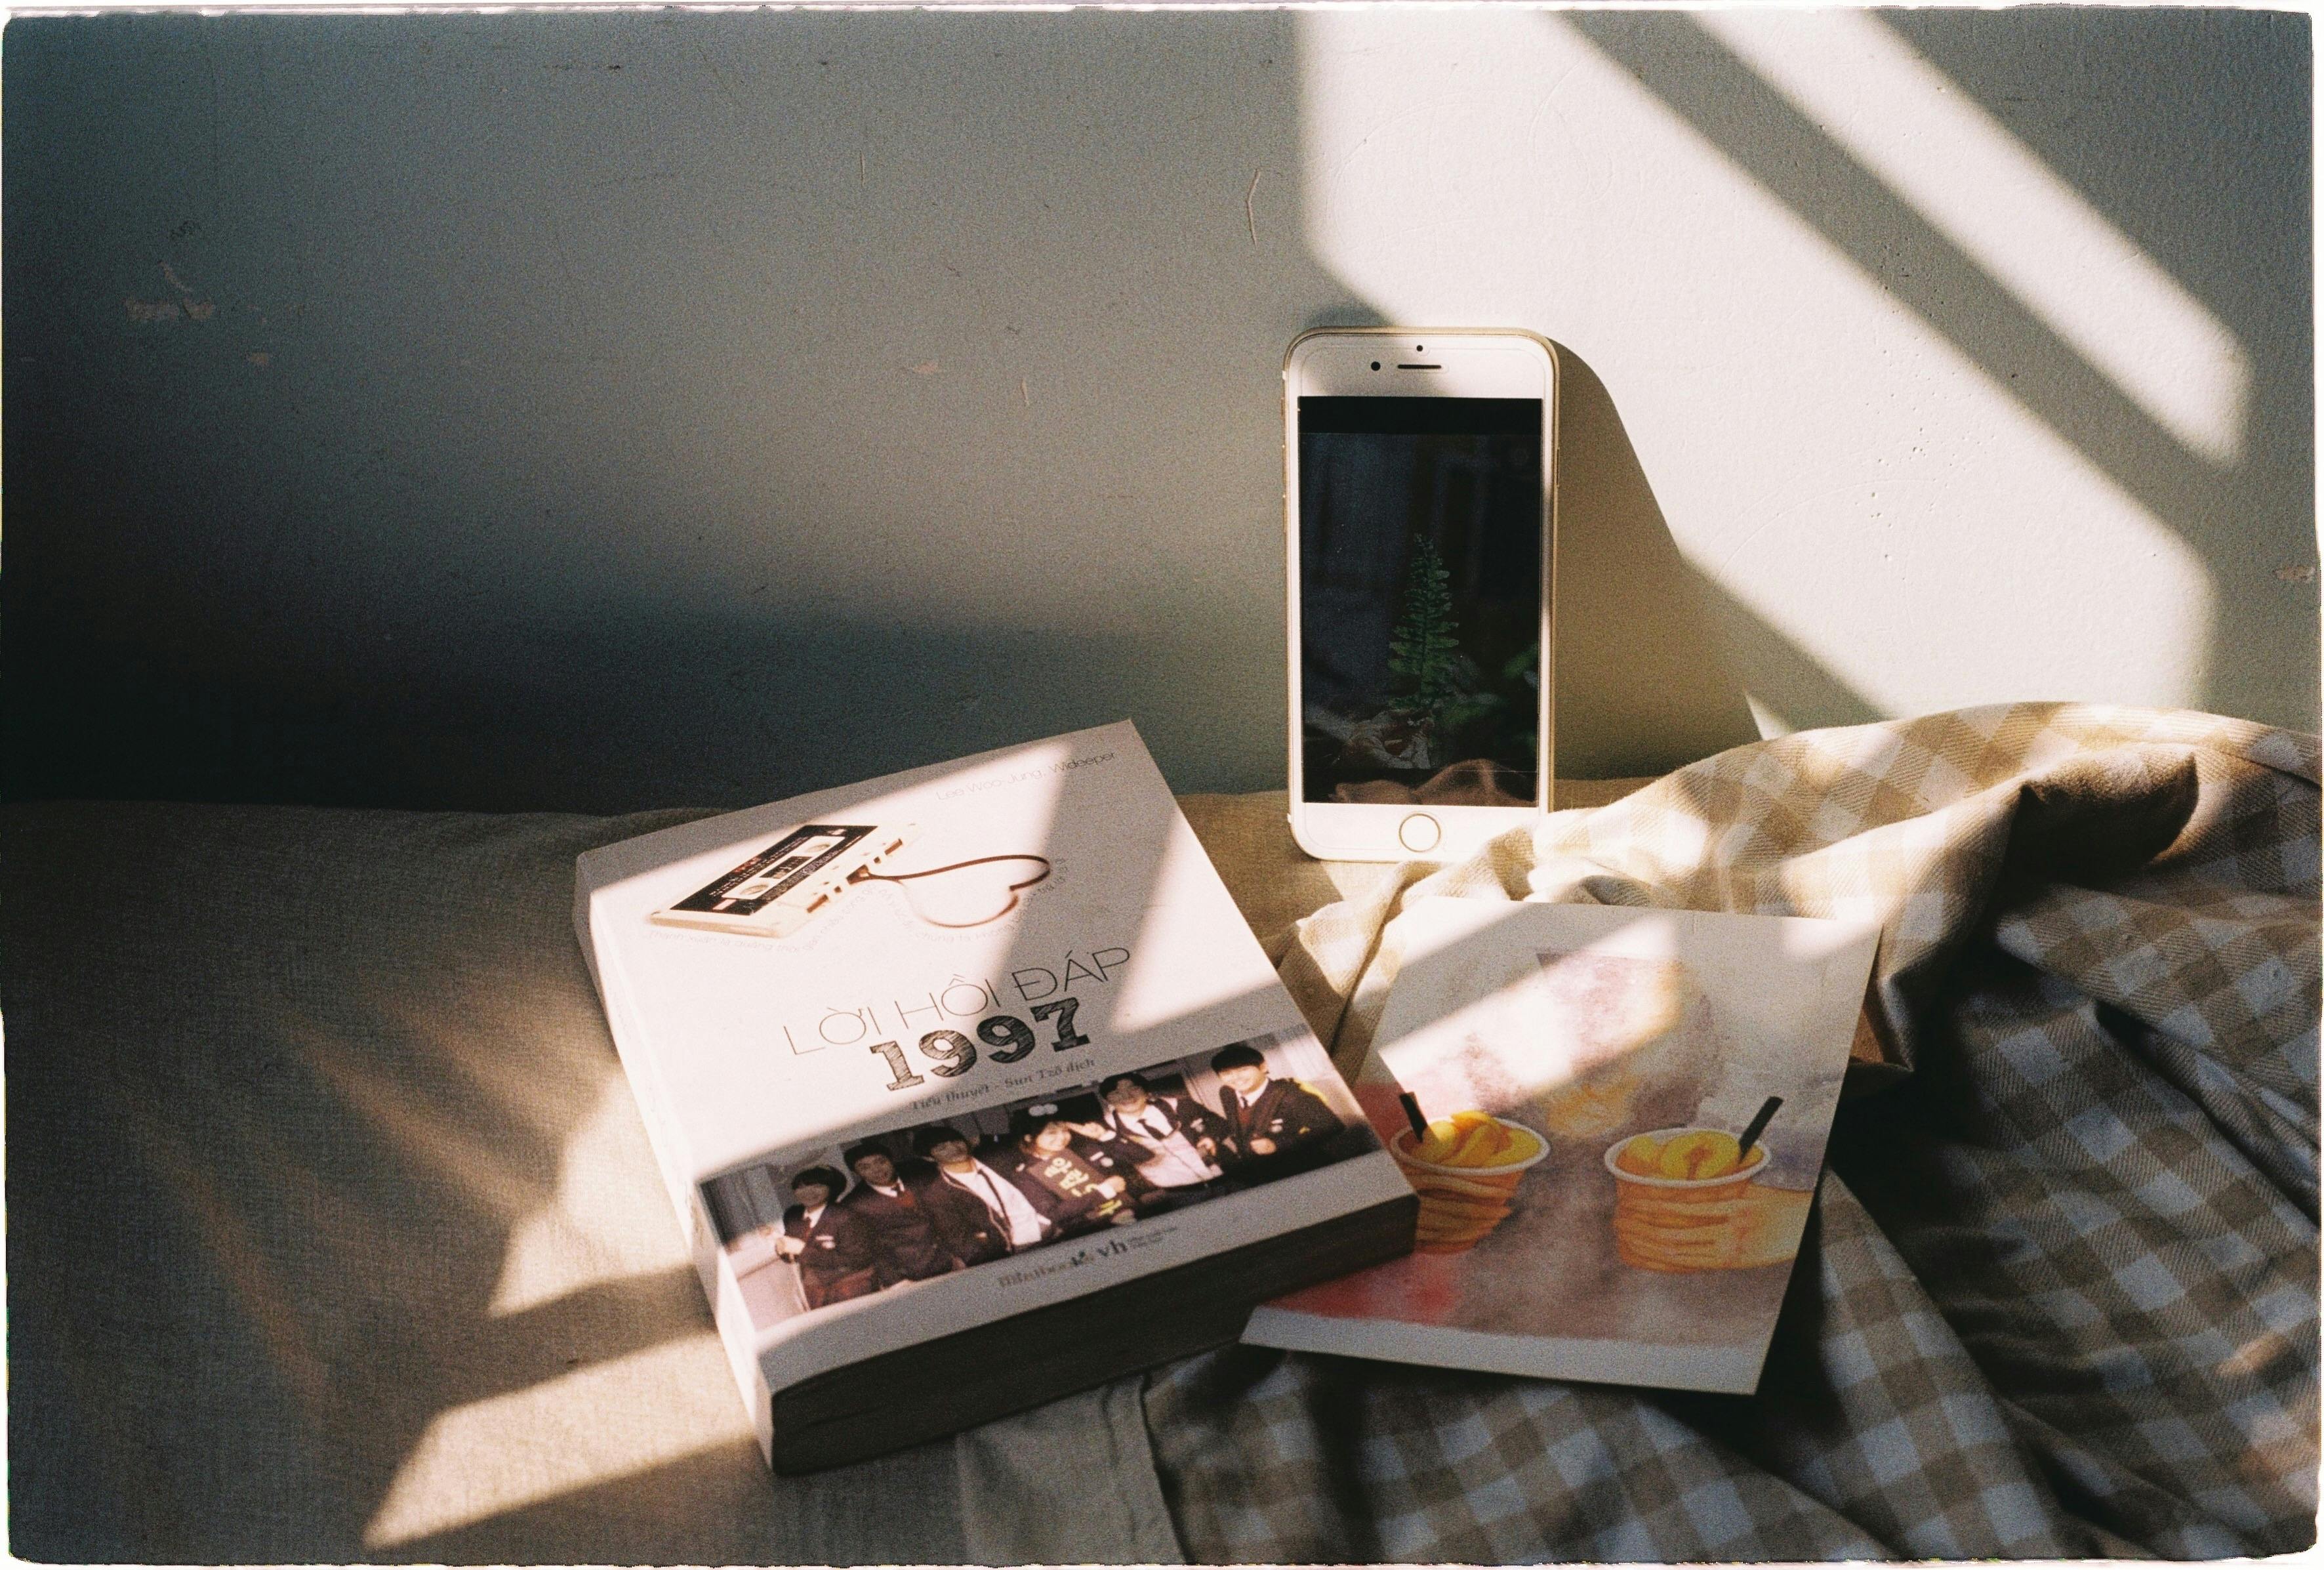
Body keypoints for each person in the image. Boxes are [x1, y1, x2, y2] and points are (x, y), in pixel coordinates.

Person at [1084, 1071, 1228, 1211]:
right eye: (1116, 1094)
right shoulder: (1108, 1131)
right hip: (1178, 1194)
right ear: (1107, 1100)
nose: (1127, 1097)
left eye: (1133, 1089)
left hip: (1224, 1179)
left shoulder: (1180, 1105)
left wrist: (1210, 1137)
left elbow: (1219, 1123)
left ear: (1146, 1092)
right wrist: (1109, 1138)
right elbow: (1124, 1163)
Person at [912, 1125, 1051, 1264]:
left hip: (1053, 1224)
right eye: (941, 1148)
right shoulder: (938, 1195)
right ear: (928, 1157)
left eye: (956, 1141)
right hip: (1018, 1247)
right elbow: (958, 1239)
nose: (953, 1148)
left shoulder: (998, 1160)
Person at [1209, 1043, 1346, 1181]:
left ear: (1263, 1067)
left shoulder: (1292, 1096)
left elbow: (1333, 1125)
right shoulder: (1227, 1093)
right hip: (1259, 1173)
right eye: (1227, 1073)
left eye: (1243, 1069)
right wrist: (1211, 1137)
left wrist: (1277, 1145)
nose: (1236, 1078)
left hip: (1300, 1171)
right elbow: (1240, 1125)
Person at [840, 1140, 959, 1285]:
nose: (877, 1170)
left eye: (881, 1162)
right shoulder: (854, 1205)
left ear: (891, 1161)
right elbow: (870, 1250)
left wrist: (966, 1255)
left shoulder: (921, 1177)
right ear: (856, 1172)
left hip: (958, 1259)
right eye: (865, 1167)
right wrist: (896, 1281)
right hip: (913, 1275)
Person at [1008, 1105, 1139, 1233]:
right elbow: (1054, 1213)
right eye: (1051, 1133)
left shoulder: (1083, 1148)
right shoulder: (1026, 1174)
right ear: (1029, 1138)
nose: (1062, 1138)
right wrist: (1104, 1191)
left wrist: (1103, 1135)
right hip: (1090, 1229)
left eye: (1065, 1131)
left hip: (1133, 1211)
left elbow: (1141, 1156)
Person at [773, 1166, 879, 1310]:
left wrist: (804, 1250)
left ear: (831, 1189)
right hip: (816, 1291)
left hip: (852, 1287)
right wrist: (782, 1248)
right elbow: (793, 1255)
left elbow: (858, 1260)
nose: (808, 1192)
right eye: (801, 1187)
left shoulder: (847, 1216)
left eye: (817, 1186)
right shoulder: (794, 1216)